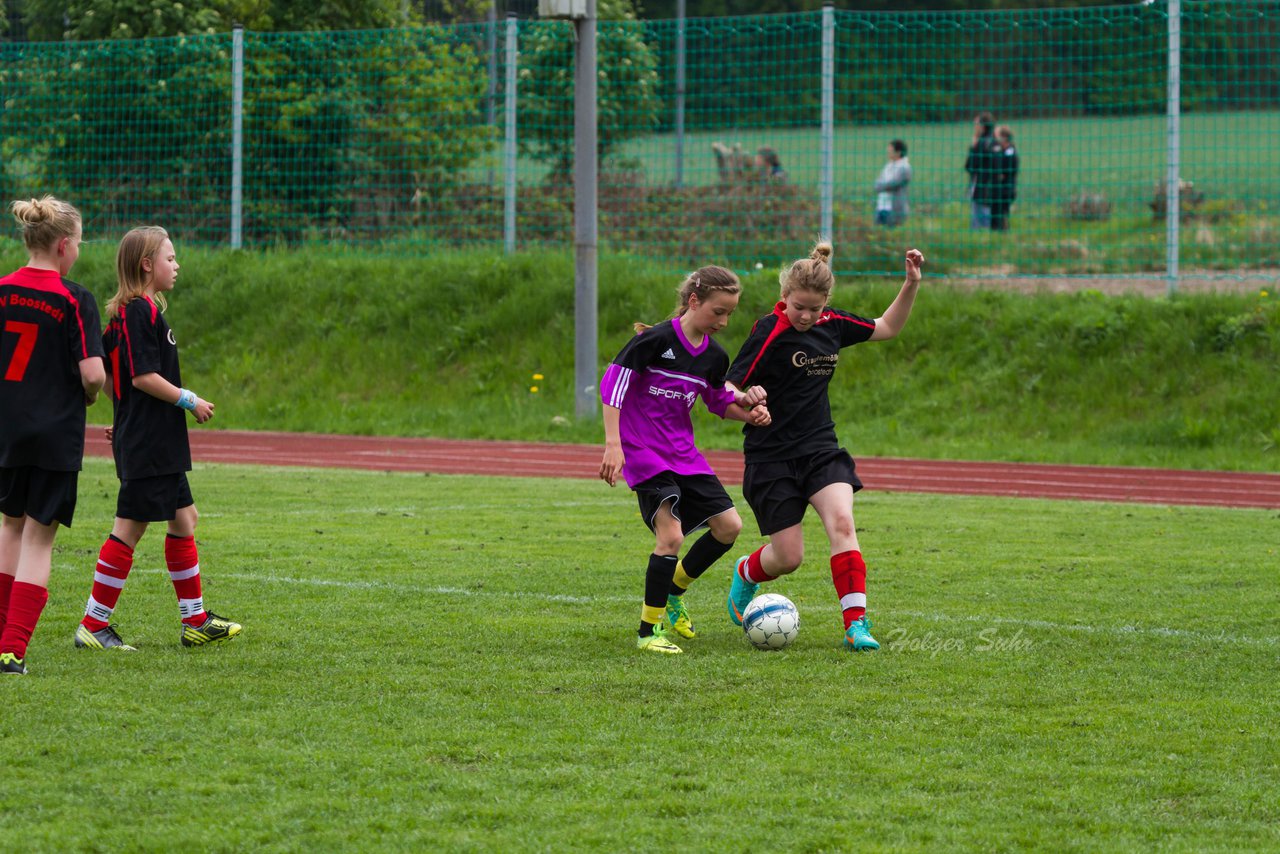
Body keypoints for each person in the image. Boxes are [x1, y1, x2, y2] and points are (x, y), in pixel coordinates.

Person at [725, 242, 925, 652]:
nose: (806, 315)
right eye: (799, 306)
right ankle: (746, 572)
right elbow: (727, 384)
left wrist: (910, 284)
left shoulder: (832, 324)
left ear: (825, 303)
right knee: (788, 558)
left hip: (820, 449)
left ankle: (856, 625)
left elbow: (888, 327)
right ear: (785, 297)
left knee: (843, 525)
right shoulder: (769, 330)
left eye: (814, 308)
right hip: (771, 455)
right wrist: (746, 400)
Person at [74, 226, 241, 651]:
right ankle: (93, 625)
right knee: (129, 529)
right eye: (170, 258)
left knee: (185, 520)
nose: (176, 264)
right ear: (147, 264)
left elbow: (117, 381)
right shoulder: (137, 313)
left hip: (155, 442)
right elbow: (142, 376)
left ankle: (196, 621)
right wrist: (189, 399)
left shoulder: (134, 314)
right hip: (151, 445)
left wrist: (124, 416)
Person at [599, 266, 771, 654]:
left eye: (730, 313)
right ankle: (648, 633)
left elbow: (716, 401)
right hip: (643, 451)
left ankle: (674, 589)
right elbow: (614, 384)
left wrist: (749, 413)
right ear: (694, 301)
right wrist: (614, 444)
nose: (724, 321)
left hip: (683, 454)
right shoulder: (655, 341)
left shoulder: (713, 356)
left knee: (729, 527)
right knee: (672, 535)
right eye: (718, 312)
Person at [0, 196, 105, 675]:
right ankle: (12, 649)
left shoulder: (1, 290)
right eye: (78, 244)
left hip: (7, 430)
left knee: (9, 528)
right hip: (54, 434)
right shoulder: (74, 298)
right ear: (64, 246)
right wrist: (90, 394)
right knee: (39, 540)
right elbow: (94, 375)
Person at [964, 112, 1000, 230]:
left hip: (981, 186)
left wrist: (973, 147)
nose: (975, 127)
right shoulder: (996, 141)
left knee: (980, 219)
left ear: (982, 126)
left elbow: (970, 166)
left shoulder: (982, 143)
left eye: (976, 124)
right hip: (994, 187)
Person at [874, 139, 912, 227]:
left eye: (890, 151)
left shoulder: (905, 168)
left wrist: (881, 186)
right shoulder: (888, 166)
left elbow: (893, 184)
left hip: (894, 209)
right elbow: (878, 182)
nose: (888, 153)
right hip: (881, 207)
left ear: (898, 153)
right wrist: (881, 185)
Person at [990, 125, 1019, 232]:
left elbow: (1007, 171)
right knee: (996, 213)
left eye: (998, 136)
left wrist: (1002, 174)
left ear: (1004, 137)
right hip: (999, 188)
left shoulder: (1010, 152)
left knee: (1003, 213)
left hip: (1006, 189)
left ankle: (1004, 232)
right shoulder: (1001, 151)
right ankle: (997, 233)